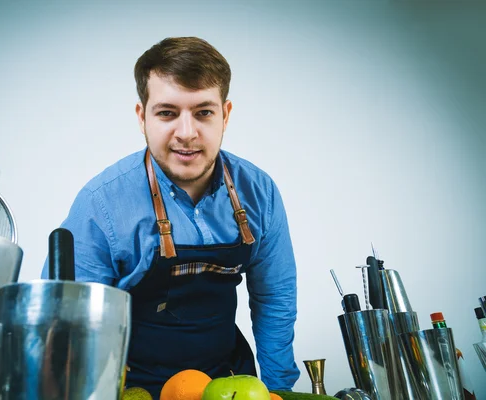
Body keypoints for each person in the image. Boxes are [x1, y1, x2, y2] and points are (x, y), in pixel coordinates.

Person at [42, 36, 299, 398]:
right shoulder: (101, 205)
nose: (186, 133)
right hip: (132, 391)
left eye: (203, 112)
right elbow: (68, 326)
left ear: (225, 115)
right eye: (167, 113)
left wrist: (276, 391)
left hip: (230, 388)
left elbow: (275, 298)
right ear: (141, 116)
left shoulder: (259, 192)